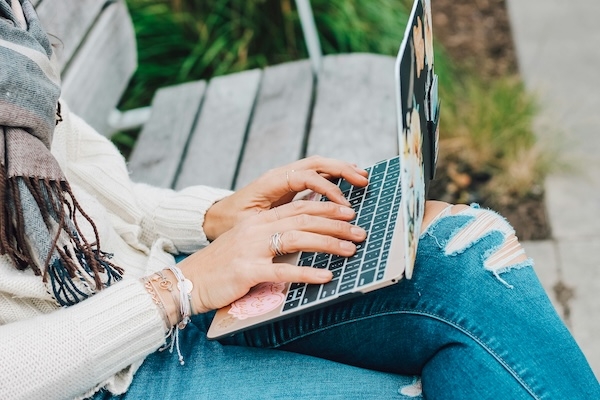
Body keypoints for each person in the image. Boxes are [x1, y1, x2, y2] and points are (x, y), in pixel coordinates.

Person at [1, 1, 598, 399]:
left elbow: (78, 176)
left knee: (467, 258)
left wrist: (212, 217)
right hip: (100, 374)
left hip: (144, 289)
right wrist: (182, 289)